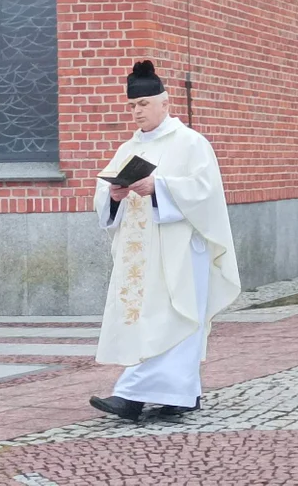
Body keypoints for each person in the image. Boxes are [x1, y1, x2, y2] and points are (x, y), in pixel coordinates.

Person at [90, 61, 241, 422]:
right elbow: (103, 194)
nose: (137, 111)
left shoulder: (191, 143)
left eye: (143, 104)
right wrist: (113, 195)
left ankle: (130, 396)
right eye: (132, 106)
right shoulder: (128, 147)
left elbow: (207, 193)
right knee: (152, 320)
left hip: (182, 251)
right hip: (141, 254)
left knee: (174, 318)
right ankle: (182, 394)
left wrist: (160, 187)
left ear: (164, 102)